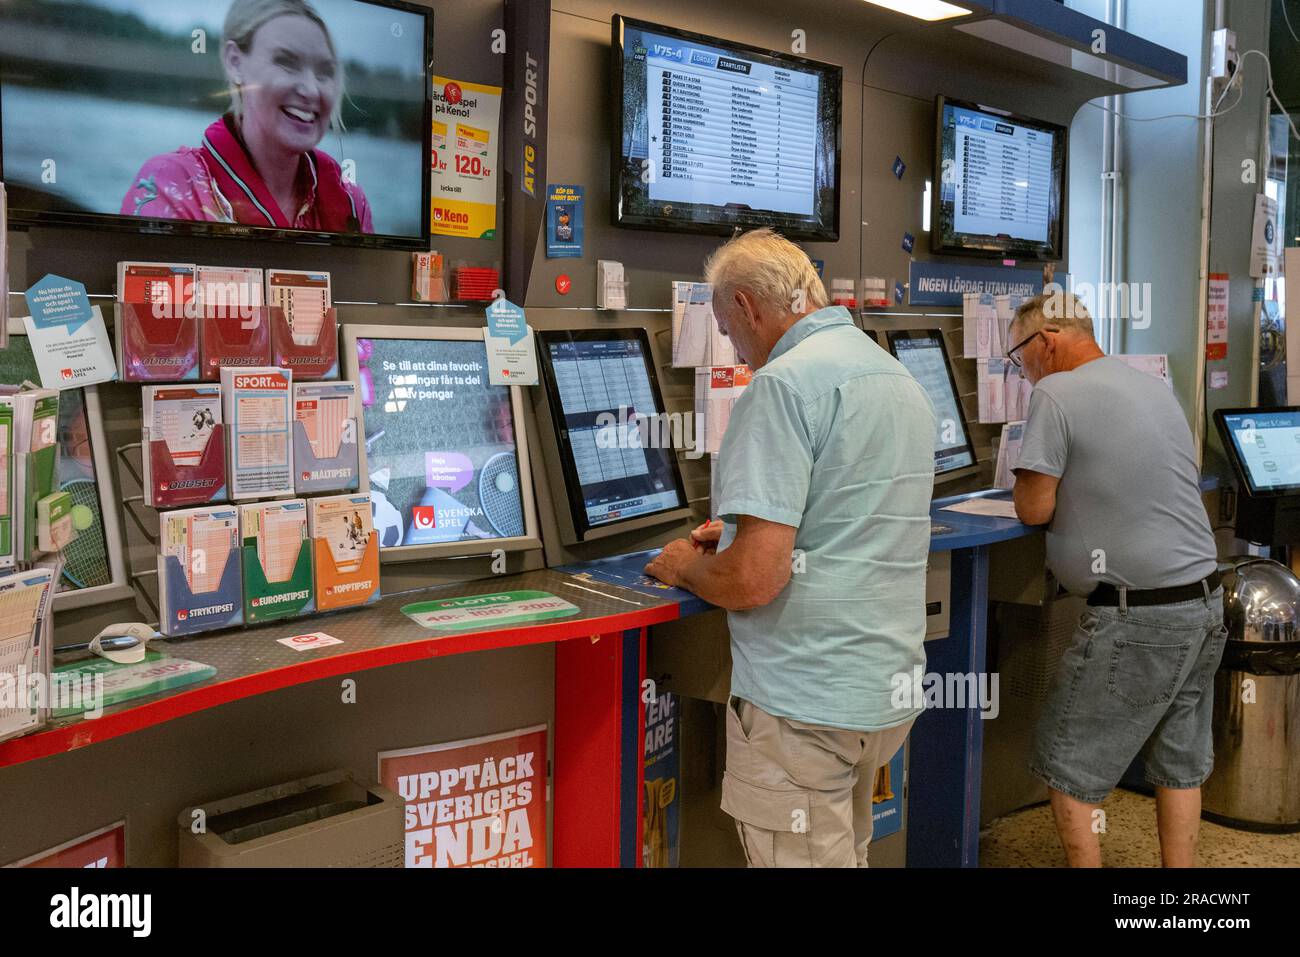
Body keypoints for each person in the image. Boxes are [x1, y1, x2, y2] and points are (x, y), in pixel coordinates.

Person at [644, 228, 936, 867]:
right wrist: (753, 532)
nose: (735, 347)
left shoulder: (780, 387)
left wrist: (687, 566)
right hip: (881, 693)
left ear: (747, 307)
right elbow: (853, 512)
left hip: (806, 704)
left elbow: (753, 582)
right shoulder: (895, 376)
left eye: (727, 328)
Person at [1008, 291, 1225, 868]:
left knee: (1067, 764)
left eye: (1017, 358)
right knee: (1179, 764)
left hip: (1139, 615)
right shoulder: (1150, 386)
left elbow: (1032, 507)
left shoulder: (1057, 391)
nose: (1023, 373)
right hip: (1204, 601)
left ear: (1046, 343)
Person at [121, 0, 373, 233]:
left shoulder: (351, 202)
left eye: (324, 72)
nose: (310, 89)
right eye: (286, 62)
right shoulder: (172, 184)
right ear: (235, 63)